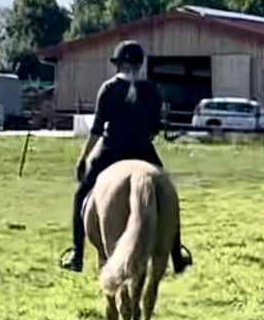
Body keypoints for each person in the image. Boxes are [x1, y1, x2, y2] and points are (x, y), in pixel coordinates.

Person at [59, 39, 191, 274]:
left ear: (117, 65)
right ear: (140, 64)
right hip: (143, 151)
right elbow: (155, 127)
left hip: (111, 151)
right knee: (169, 194)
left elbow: (97, 130)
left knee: (81, 195)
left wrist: (83, 158)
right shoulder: (151, 90)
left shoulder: (109, 89)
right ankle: (176, 254)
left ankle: (77, 255)